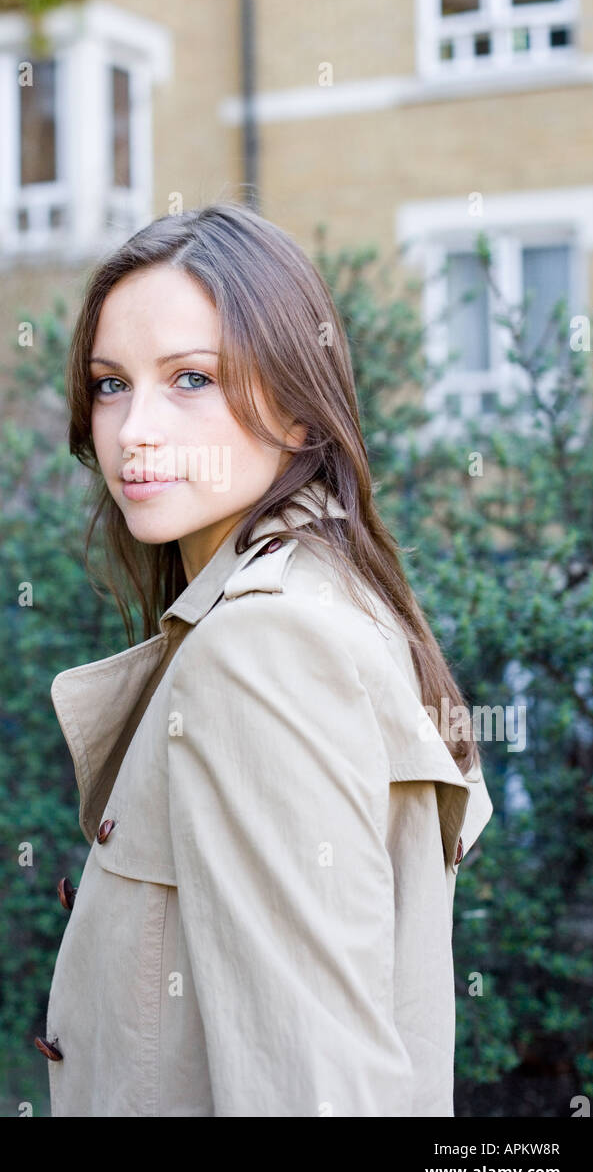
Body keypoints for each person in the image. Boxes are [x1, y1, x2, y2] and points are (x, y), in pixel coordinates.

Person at [34, 201, 493, 1117]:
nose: (134, 431)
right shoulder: (318, 593)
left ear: (294, 409)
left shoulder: (263, 645)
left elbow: (316, 1087)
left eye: (192, 378)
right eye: (113, 384)